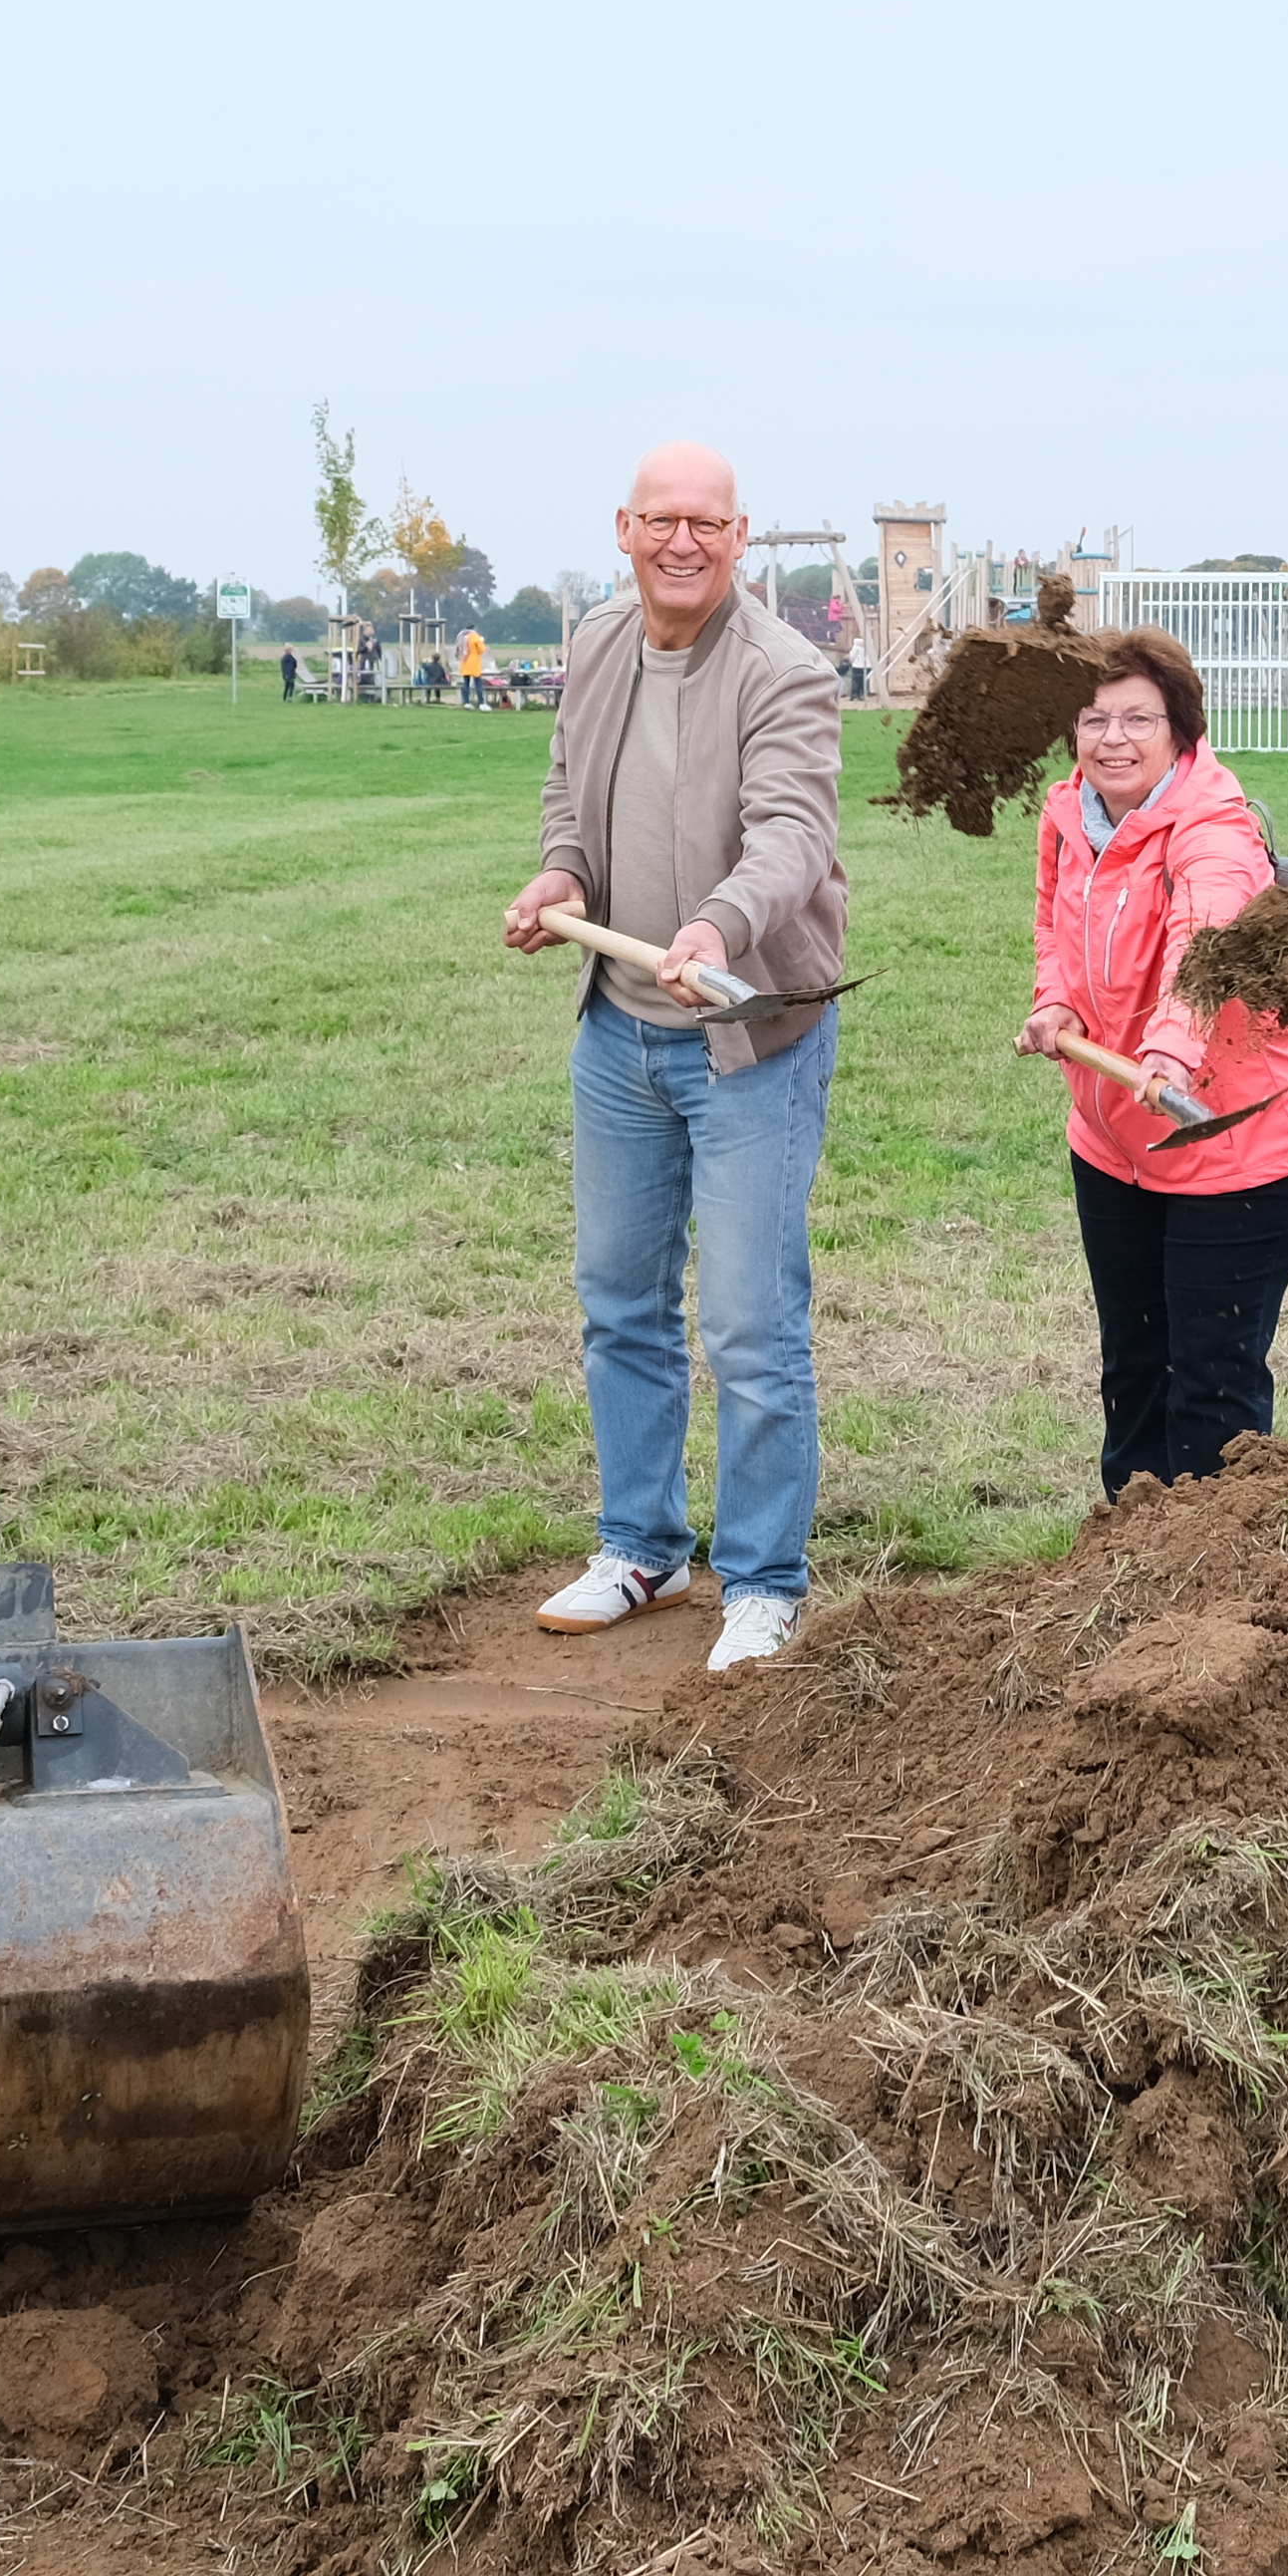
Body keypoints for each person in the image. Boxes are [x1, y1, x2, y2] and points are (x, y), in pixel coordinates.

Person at [502, 442, 850, 1672]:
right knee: (619, 1303)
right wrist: (561, 877)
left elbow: (794, 835)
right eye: (663, 520)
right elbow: (568, 796)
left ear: (741, 535)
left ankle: (763, 1581)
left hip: (746, 1036)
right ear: (625, 527)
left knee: (751, 1323)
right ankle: (641, 1548)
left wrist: (714, 928)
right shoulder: (598, 645)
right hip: (619, 1031)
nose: (683, 541)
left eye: (707, 521)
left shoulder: (786, 671)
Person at [1018, 630, 1288, 1499]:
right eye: (1093, 718)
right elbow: (1054, 928)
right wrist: (1058, 1004)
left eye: (1136, 718)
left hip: (1234, 1152)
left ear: (1180, 730)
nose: (1111, 737)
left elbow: (1205, 943)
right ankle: (1126, 1568)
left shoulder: (1213, 829)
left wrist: (1166, 1051)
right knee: (1132, 1368)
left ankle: (1216, 1604)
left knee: (1211, 1390)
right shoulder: (1069, 816)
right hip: (1115, 1143)